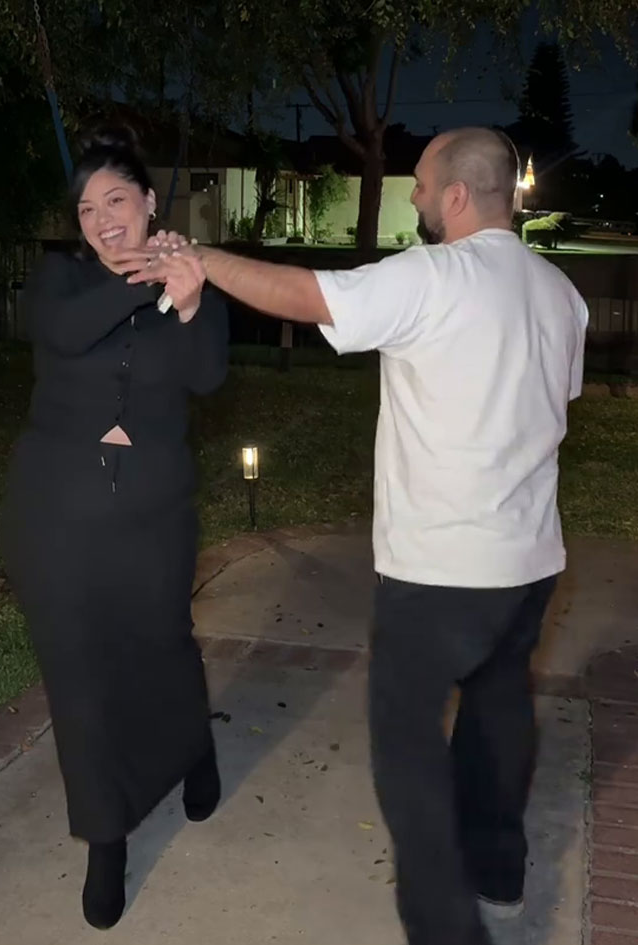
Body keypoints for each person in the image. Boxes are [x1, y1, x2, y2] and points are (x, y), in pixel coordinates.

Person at [121, 127, 588, 945]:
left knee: (407, 747)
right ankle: (500, 870)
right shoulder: (561, 293)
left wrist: (200, 256)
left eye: (417, 185)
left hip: (440, 570)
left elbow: (307, 294)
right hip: (530, 561)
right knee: (497, 707)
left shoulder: (436, 277)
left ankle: (447, 929)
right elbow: (557, 401)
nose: (409, 197)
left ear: (454, 195)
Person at [0, 125, 228, 931]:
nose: (100, 219)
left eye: (117, 200)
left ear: (149, 201)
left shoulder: (190, 281)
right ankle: (107, 838)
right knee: (81, 675)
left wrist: (191, 295)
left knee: (162, 645)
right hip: (55, 508)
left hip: (153, 511)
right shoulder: (60, 279)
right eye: (88, 207)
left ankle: (192, 747)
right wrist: (145, 273)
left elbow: (207, 374)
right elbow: (64, 334)